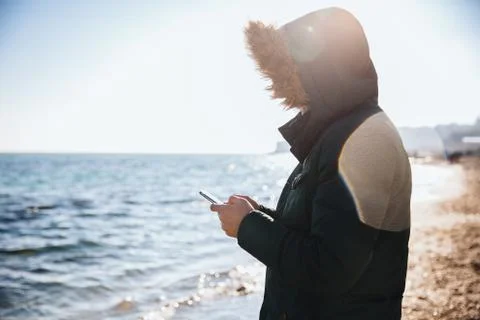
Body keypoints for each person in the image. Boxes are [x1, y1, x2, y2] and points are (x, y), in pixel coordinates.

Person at [210, 7, 411, 320]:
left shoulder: (362, 140)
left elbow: (330, 268)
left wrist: (248, 227)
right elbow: (323, 227)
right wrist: (258, 214)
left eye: (289, 72)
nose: (284, 85)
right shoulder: (337, 133)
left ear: (323, 69)